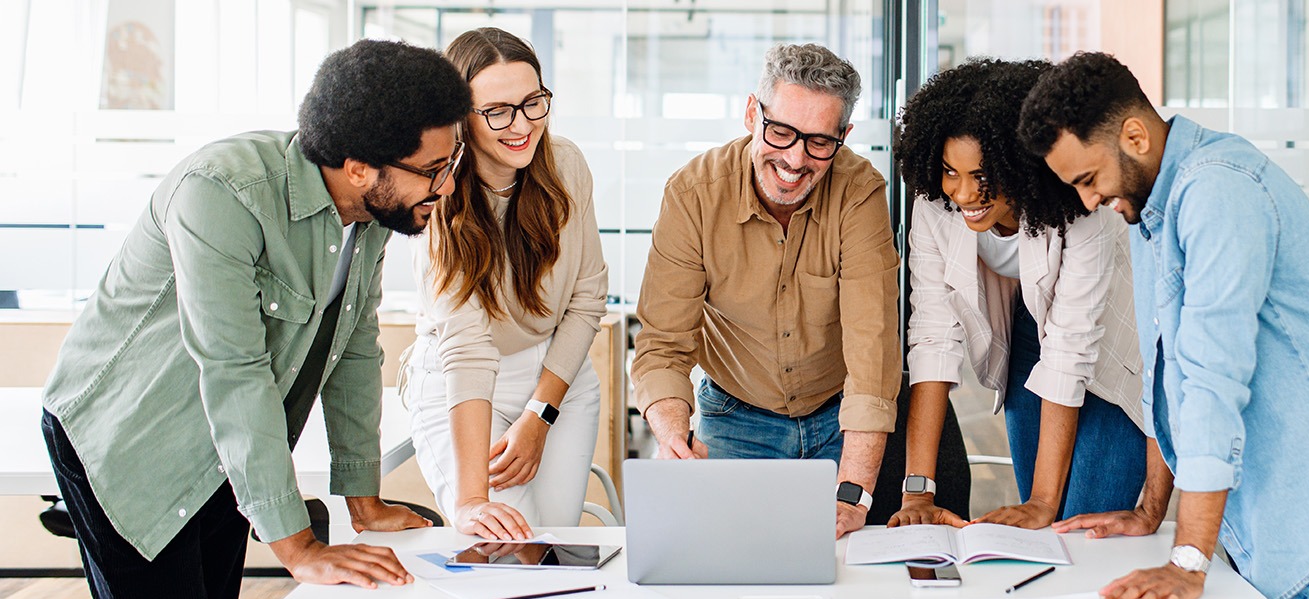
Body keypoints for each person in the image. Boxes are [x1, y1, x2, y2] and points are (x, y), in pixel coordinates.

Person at [39, 39, 471, 595]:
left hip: (226, 448)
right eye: (434, 169)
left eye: (451, 163)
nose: (449, 185)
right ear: (360, 168)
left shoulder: (371, 215)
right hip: (129, 440)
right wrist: (300, 549)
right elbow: (233, 370)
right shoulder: (223, 192)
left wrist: (364, 501)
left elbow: (354, 350)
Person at [1017, 52, 1309, 599]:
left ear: (1135, 136)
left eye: (1089, 178)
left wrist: (1188, 561)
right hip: (1277, 488)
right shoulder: (1151, 206)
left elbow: (1212, 378)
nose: (1089, 199)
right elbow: (1166, 375)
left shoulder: (1218, 191)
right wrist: (1149, 512)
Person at [628, 43, 900, 539]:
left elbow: (873, 353)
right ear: (753, 112)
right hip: (733, 416)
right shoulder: (692, 195)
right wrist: (672, 436)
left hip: (840, 418)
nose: (796, 160)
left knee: (841, 571)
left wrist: (853, 493)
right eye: (781, 132)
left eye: (819, 142)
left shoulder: (860, 193)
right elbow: (662, 346)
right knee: (725, 562)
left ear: (844, 136)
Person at [888, 58, 1147, 530]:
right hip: (1027, 330)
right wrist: (917, 491)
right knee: (1041, 522)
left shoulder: (1082, 207)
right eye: (950, 171)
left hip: (1109, 346)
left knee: (1083, 523)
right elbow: (932, 338)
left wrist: (1045, 503)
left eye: (982, 176)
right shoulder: (935, 202)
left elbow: (1071, 348)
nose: (964, 194)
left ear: (1021, 165)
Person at [405, 27, 608, 542]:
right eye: (497, 111)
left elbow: (586, 300)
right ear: (460, 120)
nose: (521, 126)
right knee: (505, 546)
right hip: (466, 383)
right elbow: (468, 349)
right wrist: (472, 500)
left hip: (556, 379)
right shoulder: (439, 194)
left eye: (532, 102)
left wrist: (541, 413)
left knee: (555, 547)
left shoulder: (565, 165)